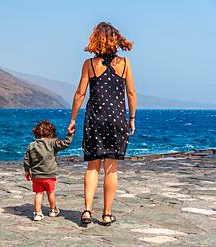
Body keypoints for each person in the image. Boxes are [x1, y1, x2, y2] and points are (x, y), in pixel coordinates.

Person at [68, 22, 137, 226]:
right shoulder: (124, 64)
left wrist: (72, 119)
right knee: (111, 168)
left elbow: (80, 93)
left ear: (95, 40)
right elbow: (131, 93)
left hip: (95, 118)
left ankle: (87, 211)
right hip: (117, 119)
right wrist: (131, 118)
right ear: (116, 40)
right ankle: (107, 214)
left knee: (92, 167)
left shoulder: (89, 64)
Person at [24, 120, 75, 221]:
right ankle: (53, 210)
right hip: (50, 175)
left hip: (37, 176)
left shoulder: (31, 145)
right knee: (50, 192)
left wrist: (27, 171)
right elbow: (66, 143)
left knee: (39, 193)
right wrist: (70, 134)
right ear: (52, 132)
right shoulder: (53, 143)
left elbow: (27, 160)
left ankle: (38, 213)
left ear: (36, 133)